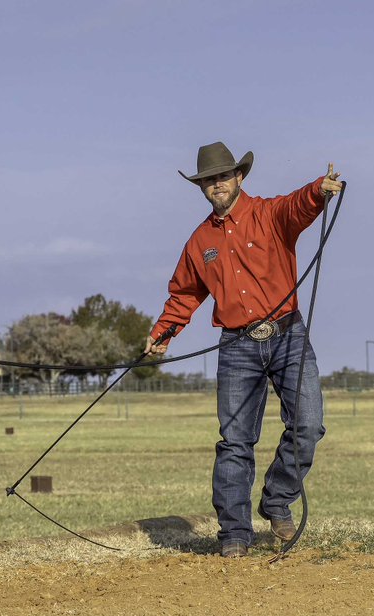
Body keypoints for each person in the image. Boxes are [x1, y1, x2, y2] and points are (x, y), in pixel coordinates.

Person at [145, 142, 343, 558]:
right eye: (207, 180)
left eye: (222, 176)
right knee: (235, 441)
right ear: (201, 187)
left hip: (288, 334)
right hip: (237, 345)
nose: (216, 184)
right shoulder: (200, 241)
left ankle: (276, 500)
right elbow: (184, 293)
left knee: (309, 425)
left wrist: (319, 190)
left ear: (239, 177)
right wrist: (165, 331)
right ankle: (235, 532)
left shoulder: (270, 214)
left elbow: (298, 206)